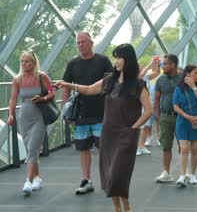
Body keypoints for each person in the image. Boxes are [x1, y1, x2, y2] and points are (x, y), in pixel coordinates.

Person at [56, 44, 152, 212]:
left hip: (126, 136)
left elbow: (149, 111)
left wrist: (133, 129)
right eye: (115, 57)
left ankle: (127, 208)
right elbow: (88, 89)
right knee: (108, 174)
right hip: (108, 134)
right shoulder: (110, 80)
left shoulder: (138, 85)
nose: (116, 61)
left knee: (118, 174)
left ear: (128, 60)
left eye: (120, 57)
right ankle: (117, 209)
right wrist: (67, 85)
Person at [62, 32, 113, 195]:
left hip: (101, 111)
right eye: (78, 43)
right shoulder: (73, 64)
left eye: (84, 42)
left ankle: (108, 179)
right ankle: (86, 180)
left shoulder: (103, 61)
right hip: (81, 112)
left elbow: (111, 84)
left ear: (91, 43)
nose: (81, 45)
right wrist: (65, 110)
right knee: (83, 148)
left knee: (103, 147)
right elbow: (66, 86)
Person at [8, 51, 55, 195]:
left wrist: (43, 99)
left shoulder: (42, 77)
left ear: (34, 63)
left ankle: (28, 181)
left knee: (33, 147)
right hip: (24, 117)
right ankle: (37, 178)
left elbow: (52, 93)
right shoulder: (18, 79)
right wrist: (10, 114)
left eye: (27, 61)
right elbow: (13, 99)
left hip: (39, 116)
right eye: (22, 61)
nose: (24, 64)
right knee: (30, 149)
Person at [173, 65, 197, 186]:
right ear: (187, 74)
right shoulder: (179, 88)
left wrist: (193, 87)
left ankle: (192, 174)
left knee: (194, 149)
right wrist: (188, 117)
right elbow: (175, 106)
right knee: (184, 149)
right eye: (195, 73)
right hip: (183, 121)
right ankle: (182, 175)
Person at [154, 54, 182, 183]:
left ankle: (184, 173)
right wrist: (158, 118)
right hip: (165, 116)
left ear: (173, 65)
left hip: (182, 117)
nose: (162, 66)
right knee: (166, 146)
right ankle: (166, 172)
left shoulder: (183, 78)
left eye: (165, 64)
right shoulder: (160, 80)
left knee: (183, 145)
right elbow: (156, 99)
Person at [136, 56, 160, 155]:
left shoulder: (145, 77)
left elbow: (157, 73)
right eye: (140, 67)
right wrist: (150, 64)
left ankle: (141, 146)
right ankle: (136, 147)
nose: (141, 68)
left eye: (142, 66)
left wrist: (157, 64)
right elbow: (141, 74)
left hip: (146, 104)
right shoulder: (136, 77)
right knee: (139, 127)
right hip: (137, 105)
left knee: (146, 126)